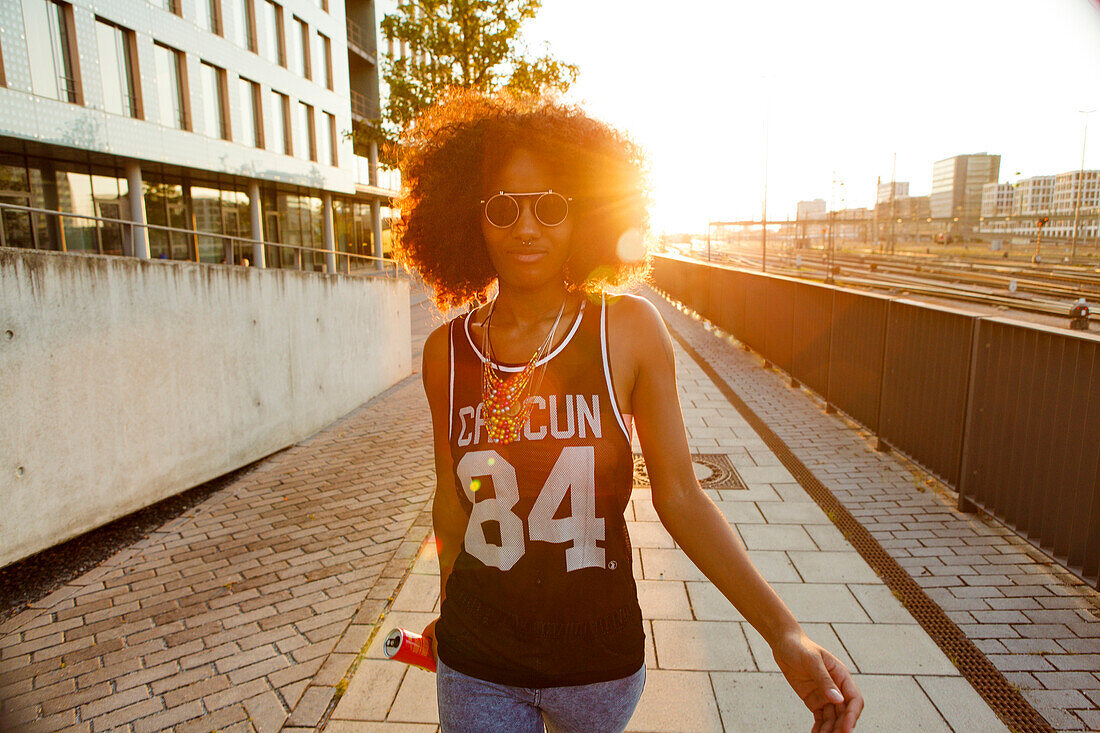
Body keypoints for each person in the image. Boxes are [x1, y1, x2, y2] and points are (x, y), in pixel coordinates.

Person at [395, 90, 864, 733]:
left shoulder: (630, 331)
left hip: (597, 664)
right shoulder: (444, 353)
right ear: (470, 220)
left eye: (551, 207)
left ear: (581, 216)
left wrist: (785, 634)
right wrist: (447, 606)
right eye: (503, 208)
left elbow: (681, 496)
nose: (526, 228)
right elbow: (451, 499)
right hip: (477, 660)